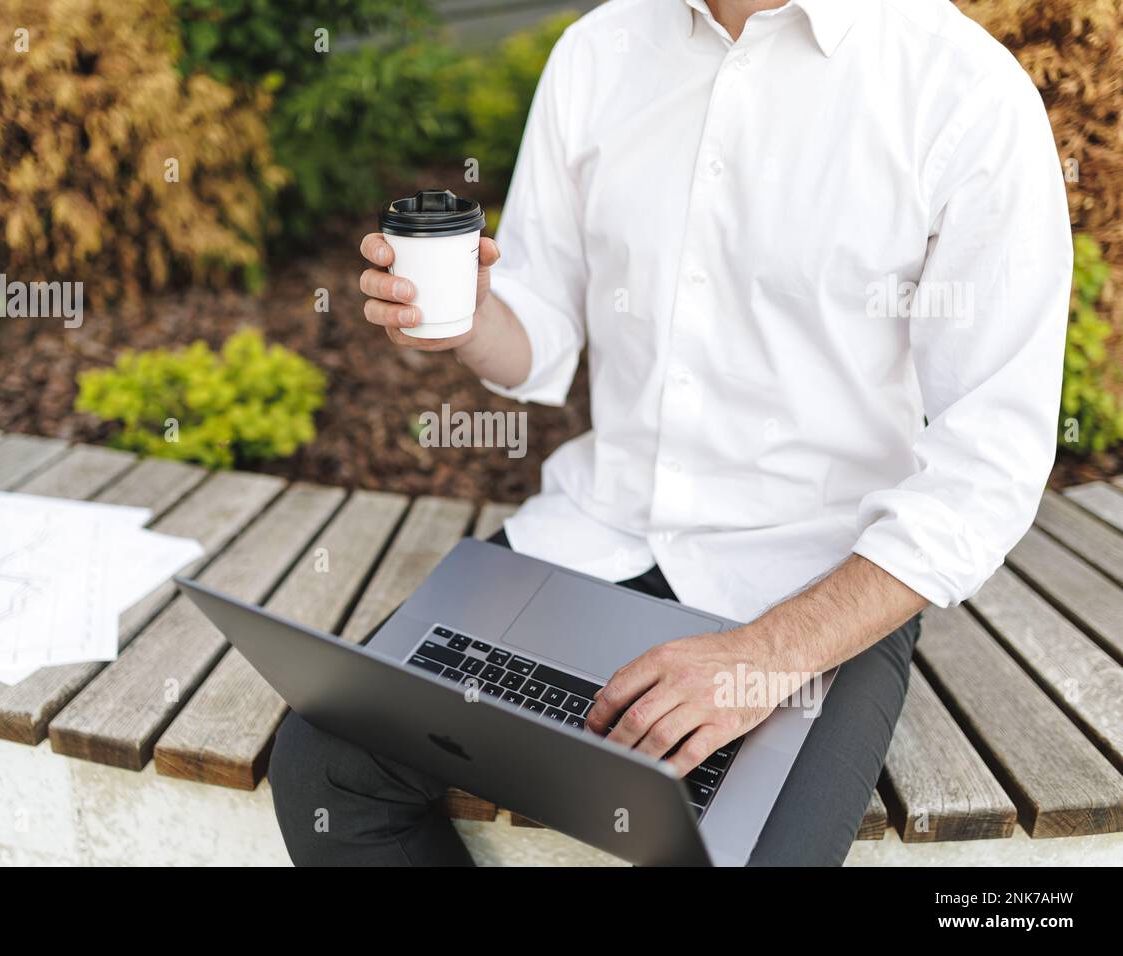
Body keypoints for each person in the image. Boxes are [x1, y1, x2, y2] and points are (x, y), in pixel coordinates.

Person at [269, 0, 1072, 866]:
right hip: (594, 534)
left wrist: (764, 657)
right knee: (328, 769)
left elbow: (990, 461)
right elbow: (538, 328)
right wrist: (469, 317)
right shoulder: (597, 50)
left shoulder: (965, 90)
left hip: (810, 584)